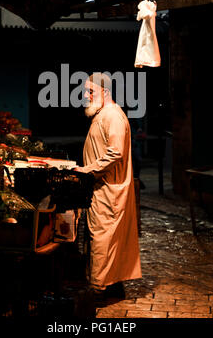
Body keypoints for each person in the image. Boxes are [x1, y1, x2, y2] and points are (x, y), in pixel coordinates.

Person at [74, 73, 142, 298]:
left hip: (107, 189)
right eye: (85, 91)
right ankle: (112, 286)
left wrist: (87, 170)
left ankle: (99, 289)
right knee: (107, 238)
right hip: (101, 187)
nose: (86, 96)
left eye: (90, 92)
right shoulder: (103, 113)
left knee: (103, 239)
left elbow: (115, 153)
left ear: (105, 92)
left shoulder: (112, 116)